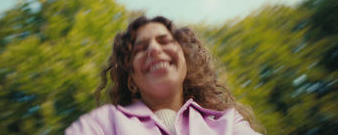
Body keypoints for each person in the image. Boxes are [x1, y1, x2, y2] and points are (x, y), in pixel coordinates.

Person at [66, 16, 264, 135]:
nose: (154, 49)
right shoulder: (103, 123)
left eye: (165, 41)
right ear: (131, 77)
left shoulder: (229, 124)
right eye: (140, 48)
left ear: (185, 60)